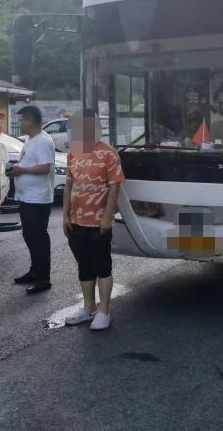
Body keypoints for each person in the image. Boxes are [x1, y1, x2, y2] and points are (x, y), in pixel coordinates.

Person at [63, 109, 124, 331]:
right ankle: (88, 308)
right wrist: (65, 215)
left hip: (99, 222)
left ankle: (104, 311)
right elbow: (69, 185)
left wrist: (108, 217)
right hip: (76, 222)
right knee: (84, 266)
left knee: (102, 266)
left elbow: (115, 185)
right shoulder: (74, 153)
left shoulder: (108, 153)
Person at [8, 105, 56, 295]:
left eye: (20, 120)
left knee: (38, 238)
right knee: (29, 235)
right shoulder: (30, 140)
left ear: (29, 120)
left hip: (38, 199)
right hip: (26, 197)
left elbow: (45, 168)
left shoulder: (44, 141)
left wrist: (22, 170)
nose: (19, 124)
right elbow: (30, 163)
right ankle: (35, 271)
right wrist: (16, 167)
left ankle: (44, 279)